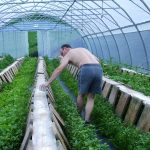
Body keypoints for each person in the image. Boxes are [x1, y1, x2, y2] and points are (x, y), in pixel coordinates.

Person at [40, 44, 103, 123]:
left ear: (65, 49)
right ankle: (87, 120)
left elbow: (59, 69)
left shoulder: (69, 53)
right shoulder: (82, 49)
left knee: (81, 95)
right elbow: (98, 60)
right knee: (91, 97)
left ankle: (78, 117)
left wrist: (48, 82)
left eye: (62, 53)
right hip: (98, 68)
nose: (62, 55)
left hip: (86, 69)